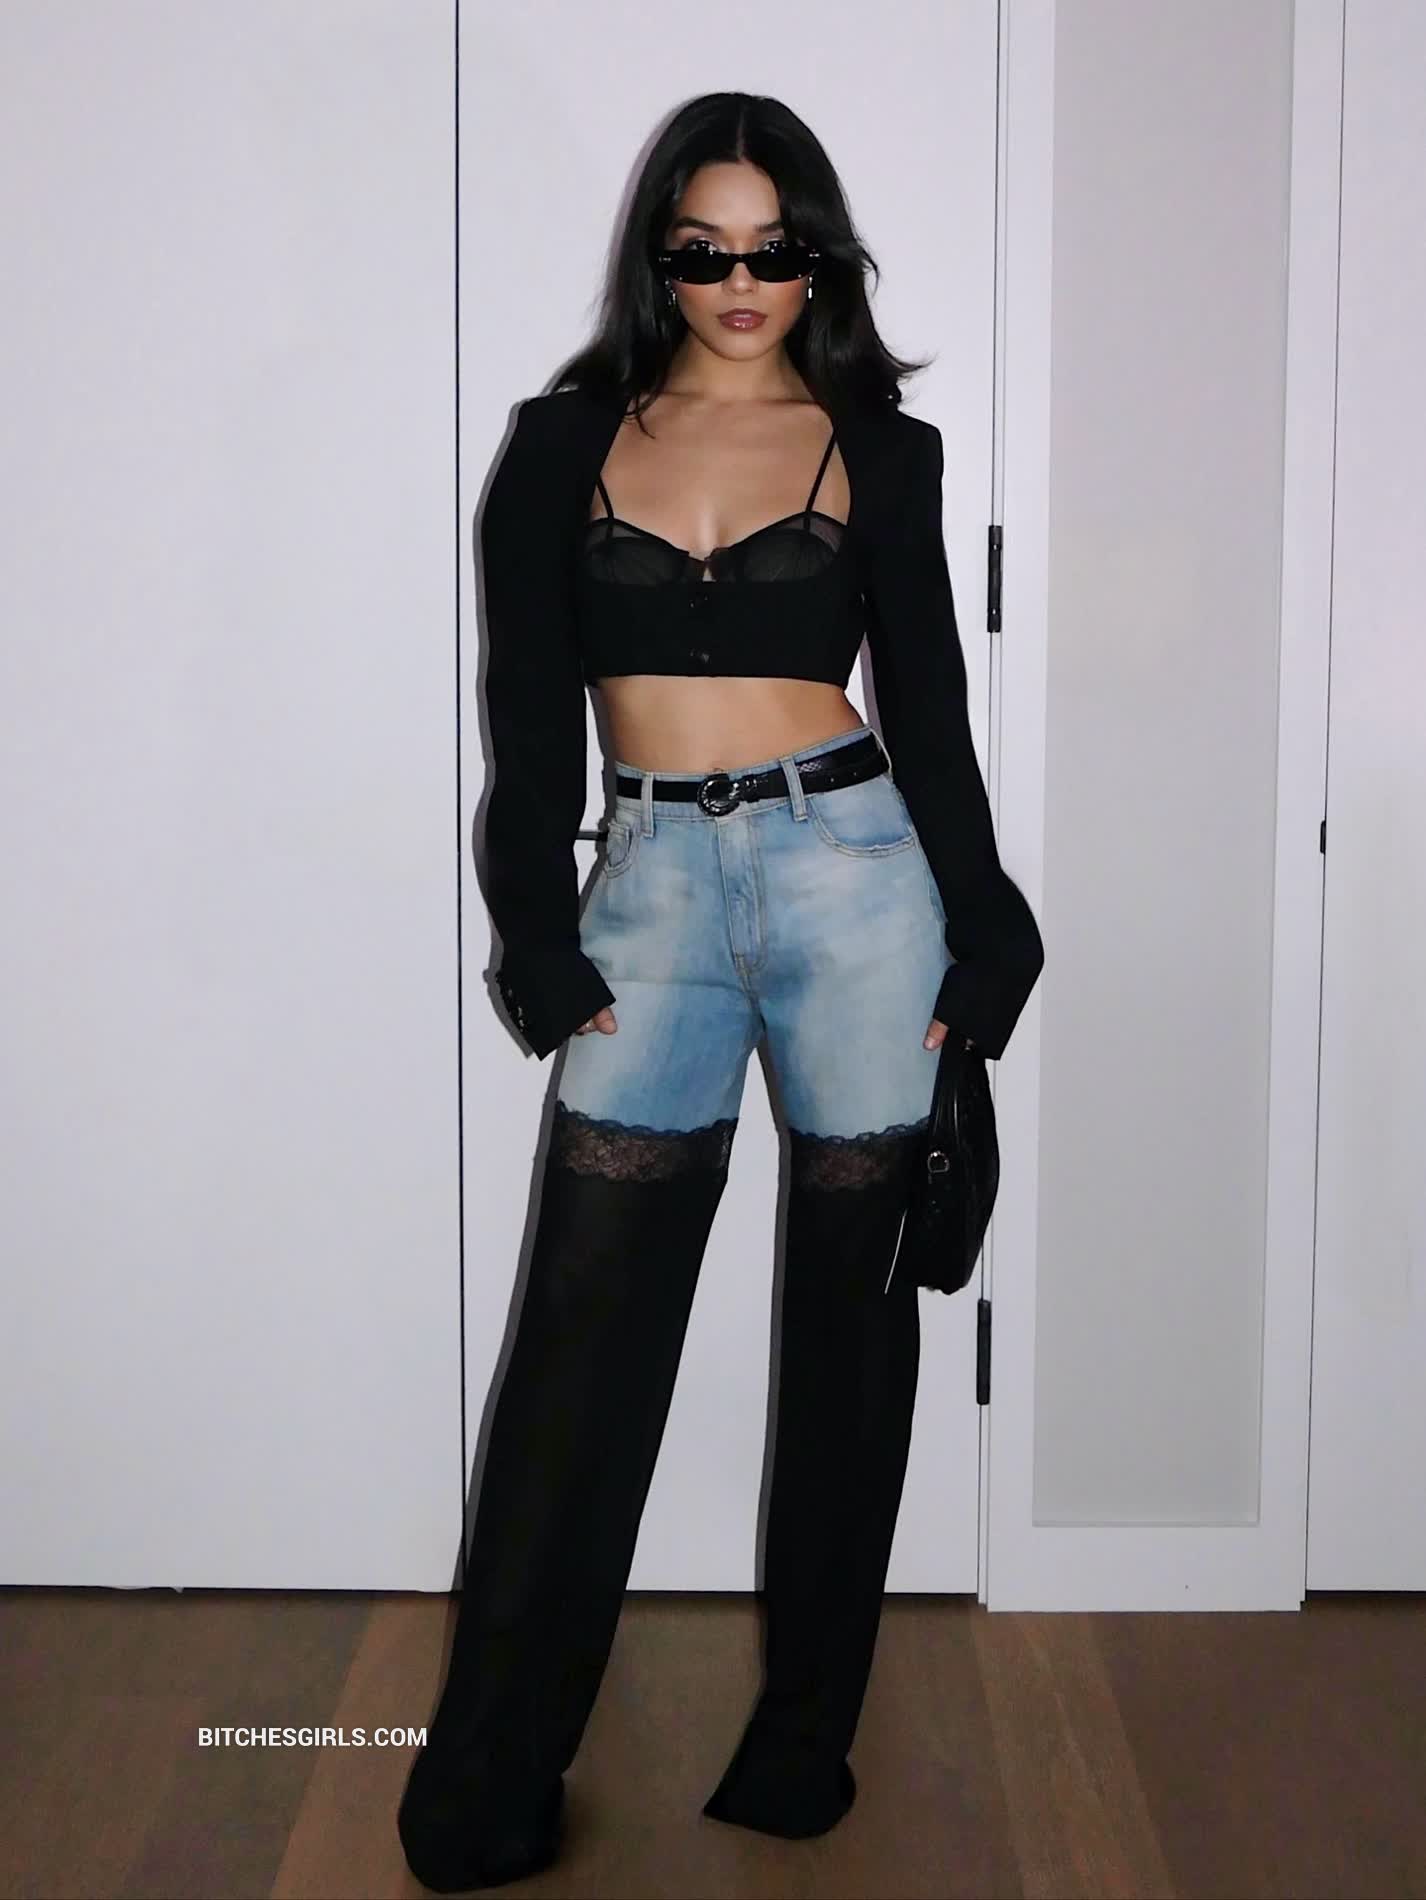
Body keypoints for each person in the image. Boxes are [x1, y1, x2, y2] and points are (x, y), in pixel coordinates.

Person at [397, 90, 1044, 1893]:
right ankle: (488, 1775)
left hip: (859, 883)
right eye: (704, 249)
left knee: (851, 1332)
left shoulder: (878, 450)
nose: (741, 280)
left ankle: (800, 1746)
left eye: (776, 248)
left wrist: (990, 920)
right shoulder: (562, 442)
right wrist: (535, 927)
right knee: (583, 1335)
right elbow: (524, 711)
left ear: (816, 259)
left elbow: (928, 704)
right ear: (658, 259)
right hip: (653, 892)